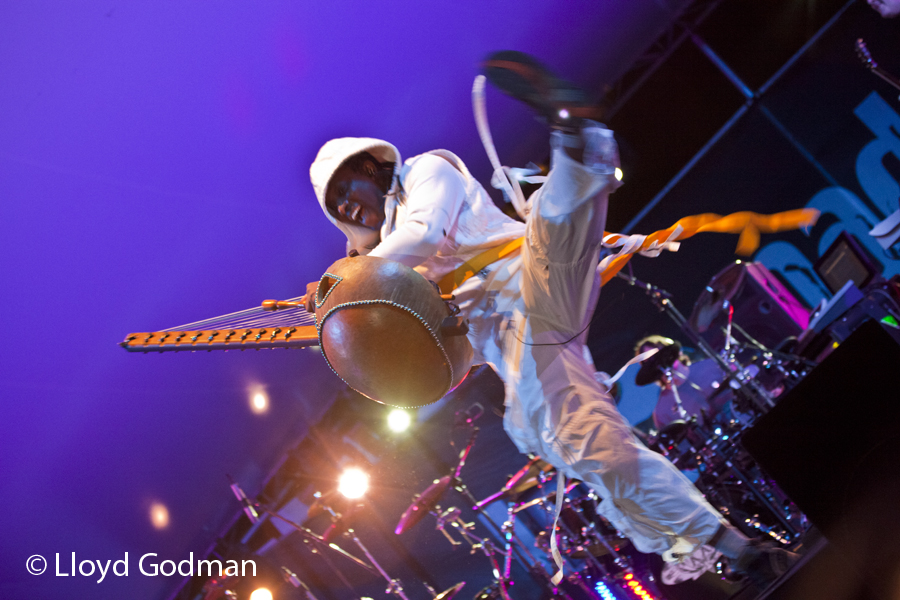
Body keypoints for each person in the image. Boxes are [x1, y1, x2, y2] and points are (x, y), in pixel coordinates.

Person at [304, 52, 795, 588]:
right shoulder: (384, 270)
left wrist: (347, 284)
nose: (346, 210)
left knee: (553, 225)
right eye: (337, 210)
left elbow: (422, 235)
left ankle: (579, 144)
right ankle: (722, 544)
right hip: (513, 341)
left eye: (345, 192)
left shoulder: (426, 172)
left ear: (370, 169)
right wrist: (347, 305)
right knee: (586, 448)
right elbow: (438, 350)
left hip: (525, 278)